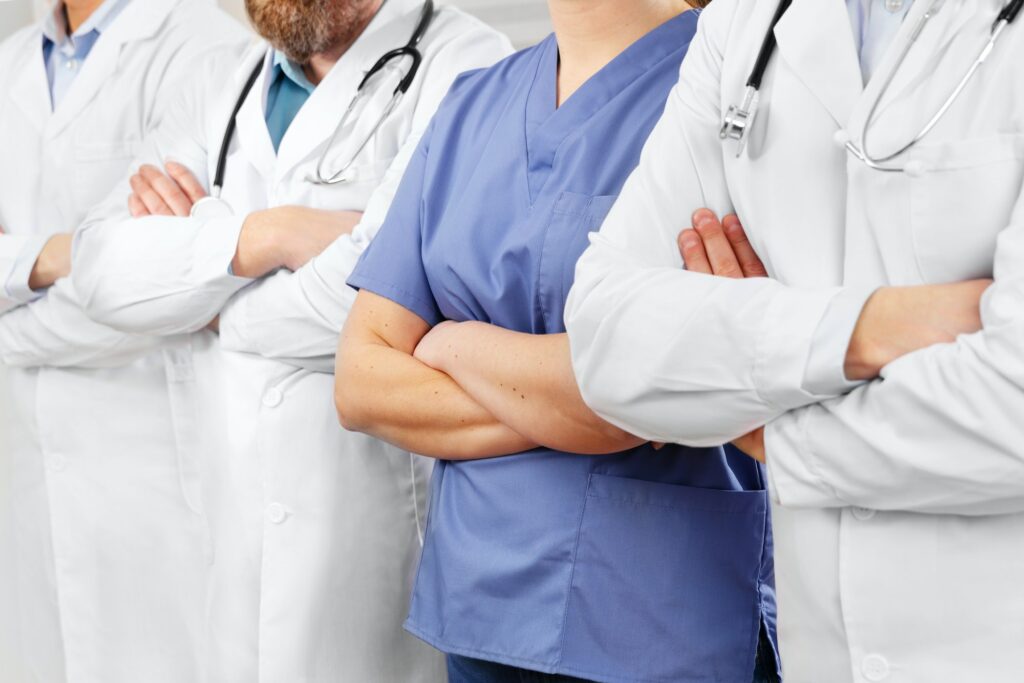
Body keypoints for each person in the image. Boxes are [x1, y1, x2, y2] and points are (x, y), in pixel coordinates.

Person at [565, 0, 1024, 680]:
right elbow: (605, 340)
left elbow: (1013, 411)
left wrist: (766, 424)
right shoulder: (743, 23)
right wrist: (869, 328)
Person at [336, 1, 781, 682]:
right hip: (480, 615)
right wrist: (579, 393)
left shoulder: (739, 88)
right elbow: (362, 382)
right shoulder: (472, 104)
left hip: (664, 615)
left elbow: (660, 384)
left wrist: (454, 344)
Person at [70, 0, 512, 680]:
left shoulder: (469, 66)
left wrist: (205, 297)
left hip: (377, 552)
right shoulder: (219, 82)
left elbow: (377, 295)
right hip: (225, 551)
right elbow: (99, 269)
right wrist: (266, 235)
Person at [0, 1, 246, 680]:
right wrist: (59, 257)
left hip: (153, 493)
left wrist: (13, 302)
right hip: (27, 491)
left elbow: (162, 284)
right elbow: (117, 272)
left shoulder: (201, 49)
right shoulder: (11, 64)